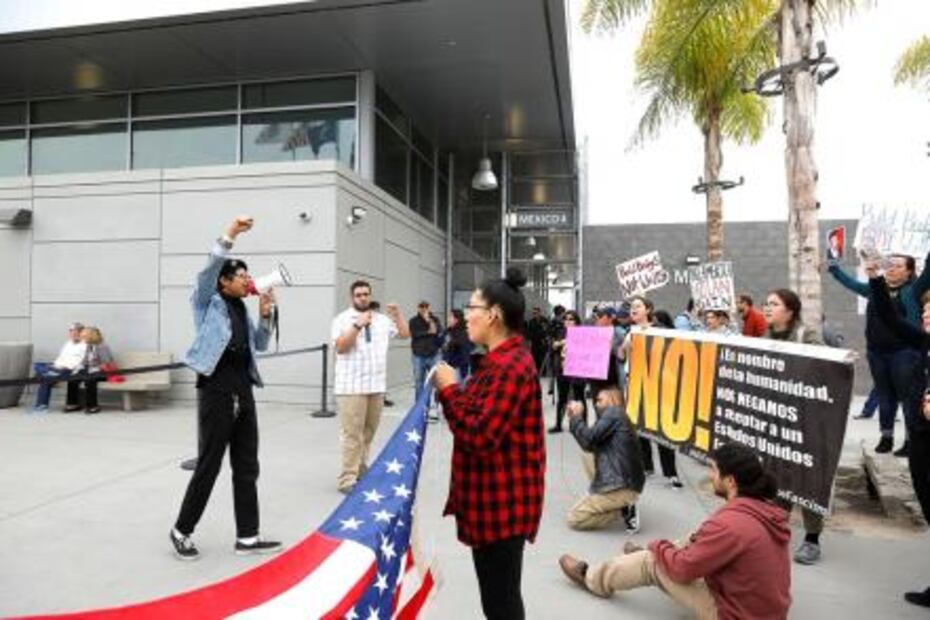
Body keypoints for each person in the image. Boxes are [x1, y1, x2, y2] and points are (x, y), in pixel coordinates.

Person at [558, 443, 790, 619]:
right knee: (694, 537)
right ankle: (656, 555)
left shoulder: (731, 524)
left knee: (652, 563)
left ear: (730, 481)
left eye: (713, 470)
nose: (710, 476)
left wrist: (658, 547)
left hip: (734, 615)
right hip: (767, 613)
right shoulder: (763, 510)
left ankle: (593, 578)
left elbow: (682, 570)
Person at [432, 268, 545, 620]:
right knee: (497, 598)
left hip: (503, 505)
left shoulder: (510, 366)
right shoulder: (497, 361)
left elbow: (479, 435)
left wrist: (450, 389)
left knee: (501, 603)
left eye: (472, 307)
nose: (467, 316)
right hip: (492, 501)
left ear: (493, 314)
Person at [170, 216, 280, 561]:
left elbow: (259, 344)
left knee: (247, 465)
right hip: (216, 391)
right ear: (224, 281)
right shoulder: (206, 301)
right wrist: (231, 232)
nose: (249, 281)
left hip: (243, 391)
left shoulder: (241, 308)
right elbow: (210, 267)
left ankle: (247, 536)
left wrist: (265, 314)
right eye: (242, 276)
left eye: (249, 276)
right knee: (210, 465)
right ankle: (181, 530)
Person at [867, 268, 930, 608]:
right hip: (921, 438)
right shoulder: (924, 342)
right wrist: (876, 279)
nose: (926, 315)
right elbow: (891, 319)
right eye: (925, 311)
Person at [828, 252, 930, 456]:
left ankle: (910, 440)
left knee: (909, 398)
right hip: (877, 353)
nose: (891, 268)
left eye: (898, 265)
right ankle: (886, 437)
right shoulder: (875, 289)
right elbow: (850, 283)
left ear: (909, 271)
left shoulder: (913, 290)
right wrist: (834, 267)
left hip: (905, 353)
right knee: (885, 396)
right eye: (889, 264)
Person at [762, 288, 826, 566]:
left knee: (807, 480)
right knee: (777, 477)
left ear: (790, 311)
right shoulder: (764, 338)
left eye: (774, 304)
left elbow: (827, 364)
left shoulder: (805, 335)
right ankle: (777, 529)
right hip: (777, 421)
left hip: (805, 421)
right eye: (766, 303)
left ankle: (812, 539)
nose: (767, 308)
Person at [331, 280, 409, 493]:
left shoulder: (382, 320)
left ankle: (360, 470)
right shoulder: (342, 320)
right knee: (352, 435)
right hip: (351, 387)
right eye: (358, 295)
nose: (363, 298)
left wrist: (397, 314)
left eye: (366, 294)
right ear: (352, 297)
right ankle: (347, 479)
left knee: (368, 433)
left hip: (376, 386)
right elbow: (341, 347)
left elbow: (404, 334)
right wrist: (358, 325)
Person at [621, 297, 682, 488]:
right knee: (639, 429)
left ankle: (671, 473)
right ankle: (646, 466)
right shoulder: (630, 331)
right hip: (635, 384)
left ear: (648, 310)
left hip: (656, 386)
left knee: (661, 429)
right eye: (632, 307)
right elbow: (621, 356)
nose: (633, 309)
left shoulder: (660, 330)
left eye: (637, 306)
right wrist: (625, 347)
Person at [565, 385, 644, 532]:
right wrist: (574, 418)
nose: (596, 404)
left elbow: (588, 439)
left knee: (574, 518)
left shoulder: (614, 413)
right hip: (627, 483)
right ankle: (616, 502)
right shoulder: (617, 418)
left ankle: (623, 510)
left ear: (613, 399)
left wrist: (577, 416)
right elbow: (588, 444)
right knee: (587, 453)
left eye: (600, 400)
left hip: (621, 485)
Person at [33, 322, 87, 412]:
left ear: (81, 333)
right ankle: (48, 373)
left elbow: (80, 363)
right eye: (71, 331)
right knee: (38, 365)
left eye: (75, 331)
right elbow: (60, 358)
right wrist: (55, 365)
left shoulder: (85, 345)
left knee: (44, 378)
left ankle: (42, 405)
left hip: (69, 370)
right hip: (58, 368)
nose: (72, 333)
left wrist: (63, 367)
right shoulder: (68, 343)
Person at [550, 310, 587, 433]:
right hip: (562, 369)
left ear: (576, 321)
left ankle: (583, 424)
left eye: (571, 319)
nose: (568, 321)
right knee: (562, 397)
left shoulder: (582, 333)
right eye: (566, 319)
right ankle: (558, 424)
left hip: (578, 369)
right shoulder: (560, 332)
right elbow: (553, 347)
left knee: (579, 396)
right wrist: (558, 344)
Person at [74, 326, 114, 414]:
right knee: (73, 378)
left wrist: (94, 364)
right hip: (90, 370)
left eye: (84, 336)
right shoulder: (88, 346)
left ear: (90, 336)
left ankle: (92, 406)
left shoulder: (102, 346)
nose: (82, 338)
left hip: (103, 372)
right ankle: (74, 404)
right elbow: (84, 361)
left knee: (90, 380)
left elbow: (106, 363)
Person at [409, 301, 442, 404]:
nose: (424, 308)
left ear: (429, 308)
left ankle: (437, 406)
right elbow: (415, 334)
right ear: (418, 308)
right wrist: (428, 332)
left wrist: (429, 321)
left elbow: (437, 331)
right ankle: (421, 407)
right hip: (418, 356)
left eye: (426, 306)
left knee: (437, 381)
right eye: (421, 306)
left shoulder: (435, 319)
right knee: (419, 382)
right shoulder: (413, 321)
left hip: (433, 354)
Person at [443, 309, 472, 381]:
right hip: (449, 365)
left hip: (459, 366)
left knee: (460, 385)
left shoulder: (463, 331)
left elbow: (462, 345)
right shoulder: (448, 330)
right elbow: (441, 342)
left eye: (450, 317)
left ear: (456, 320)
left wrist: (449, 342)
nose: (448, 319)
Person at [525, 306, 550, 373]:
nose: (534, 314)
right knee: (534, 360)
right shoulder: (531, 322)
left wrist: (546, 339)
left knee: (542, 360)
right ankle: (536, 373)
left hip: (542, 344)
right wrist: (529, 343)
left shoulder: (544, 321)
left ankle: (543, 374)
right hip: (535, 344)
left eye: (536, 313)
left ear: (539, 312)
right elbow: (529, 333)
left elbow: (547, 331)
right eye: (533, 313)